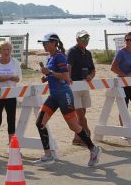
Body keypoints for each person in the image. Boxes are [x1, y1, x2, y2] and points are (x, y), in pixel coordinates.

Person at [34, 33, 101, 166]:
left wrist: (50, 73)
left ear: (54, 43)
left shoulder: (59, 57)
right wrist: (47, 77)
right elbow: (54, 74)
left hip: (64, 96)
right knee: (40, 123)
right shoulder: (50, 57)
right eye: (43, 43)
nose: (44, 45)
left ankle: (93, 149)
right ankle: (48, 155)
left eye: (46, 43)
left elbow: (66, 76)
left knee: (74, 126)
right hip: (54, 96)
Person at [67, 30, 96, 146]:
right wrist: (68, 80)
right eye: (83, 39)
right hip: (74, 86)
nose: (85, 41)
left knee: (83, 112)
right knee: (80, 114)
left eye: (87, 39)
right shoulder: (72, 51)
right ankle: (86, 134)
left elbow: (93, 69)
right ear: (77, 40)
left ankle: (77, 138)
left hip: (84, 85)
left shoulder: (88, 53)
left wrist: (90, 76)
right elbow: (68, 67)